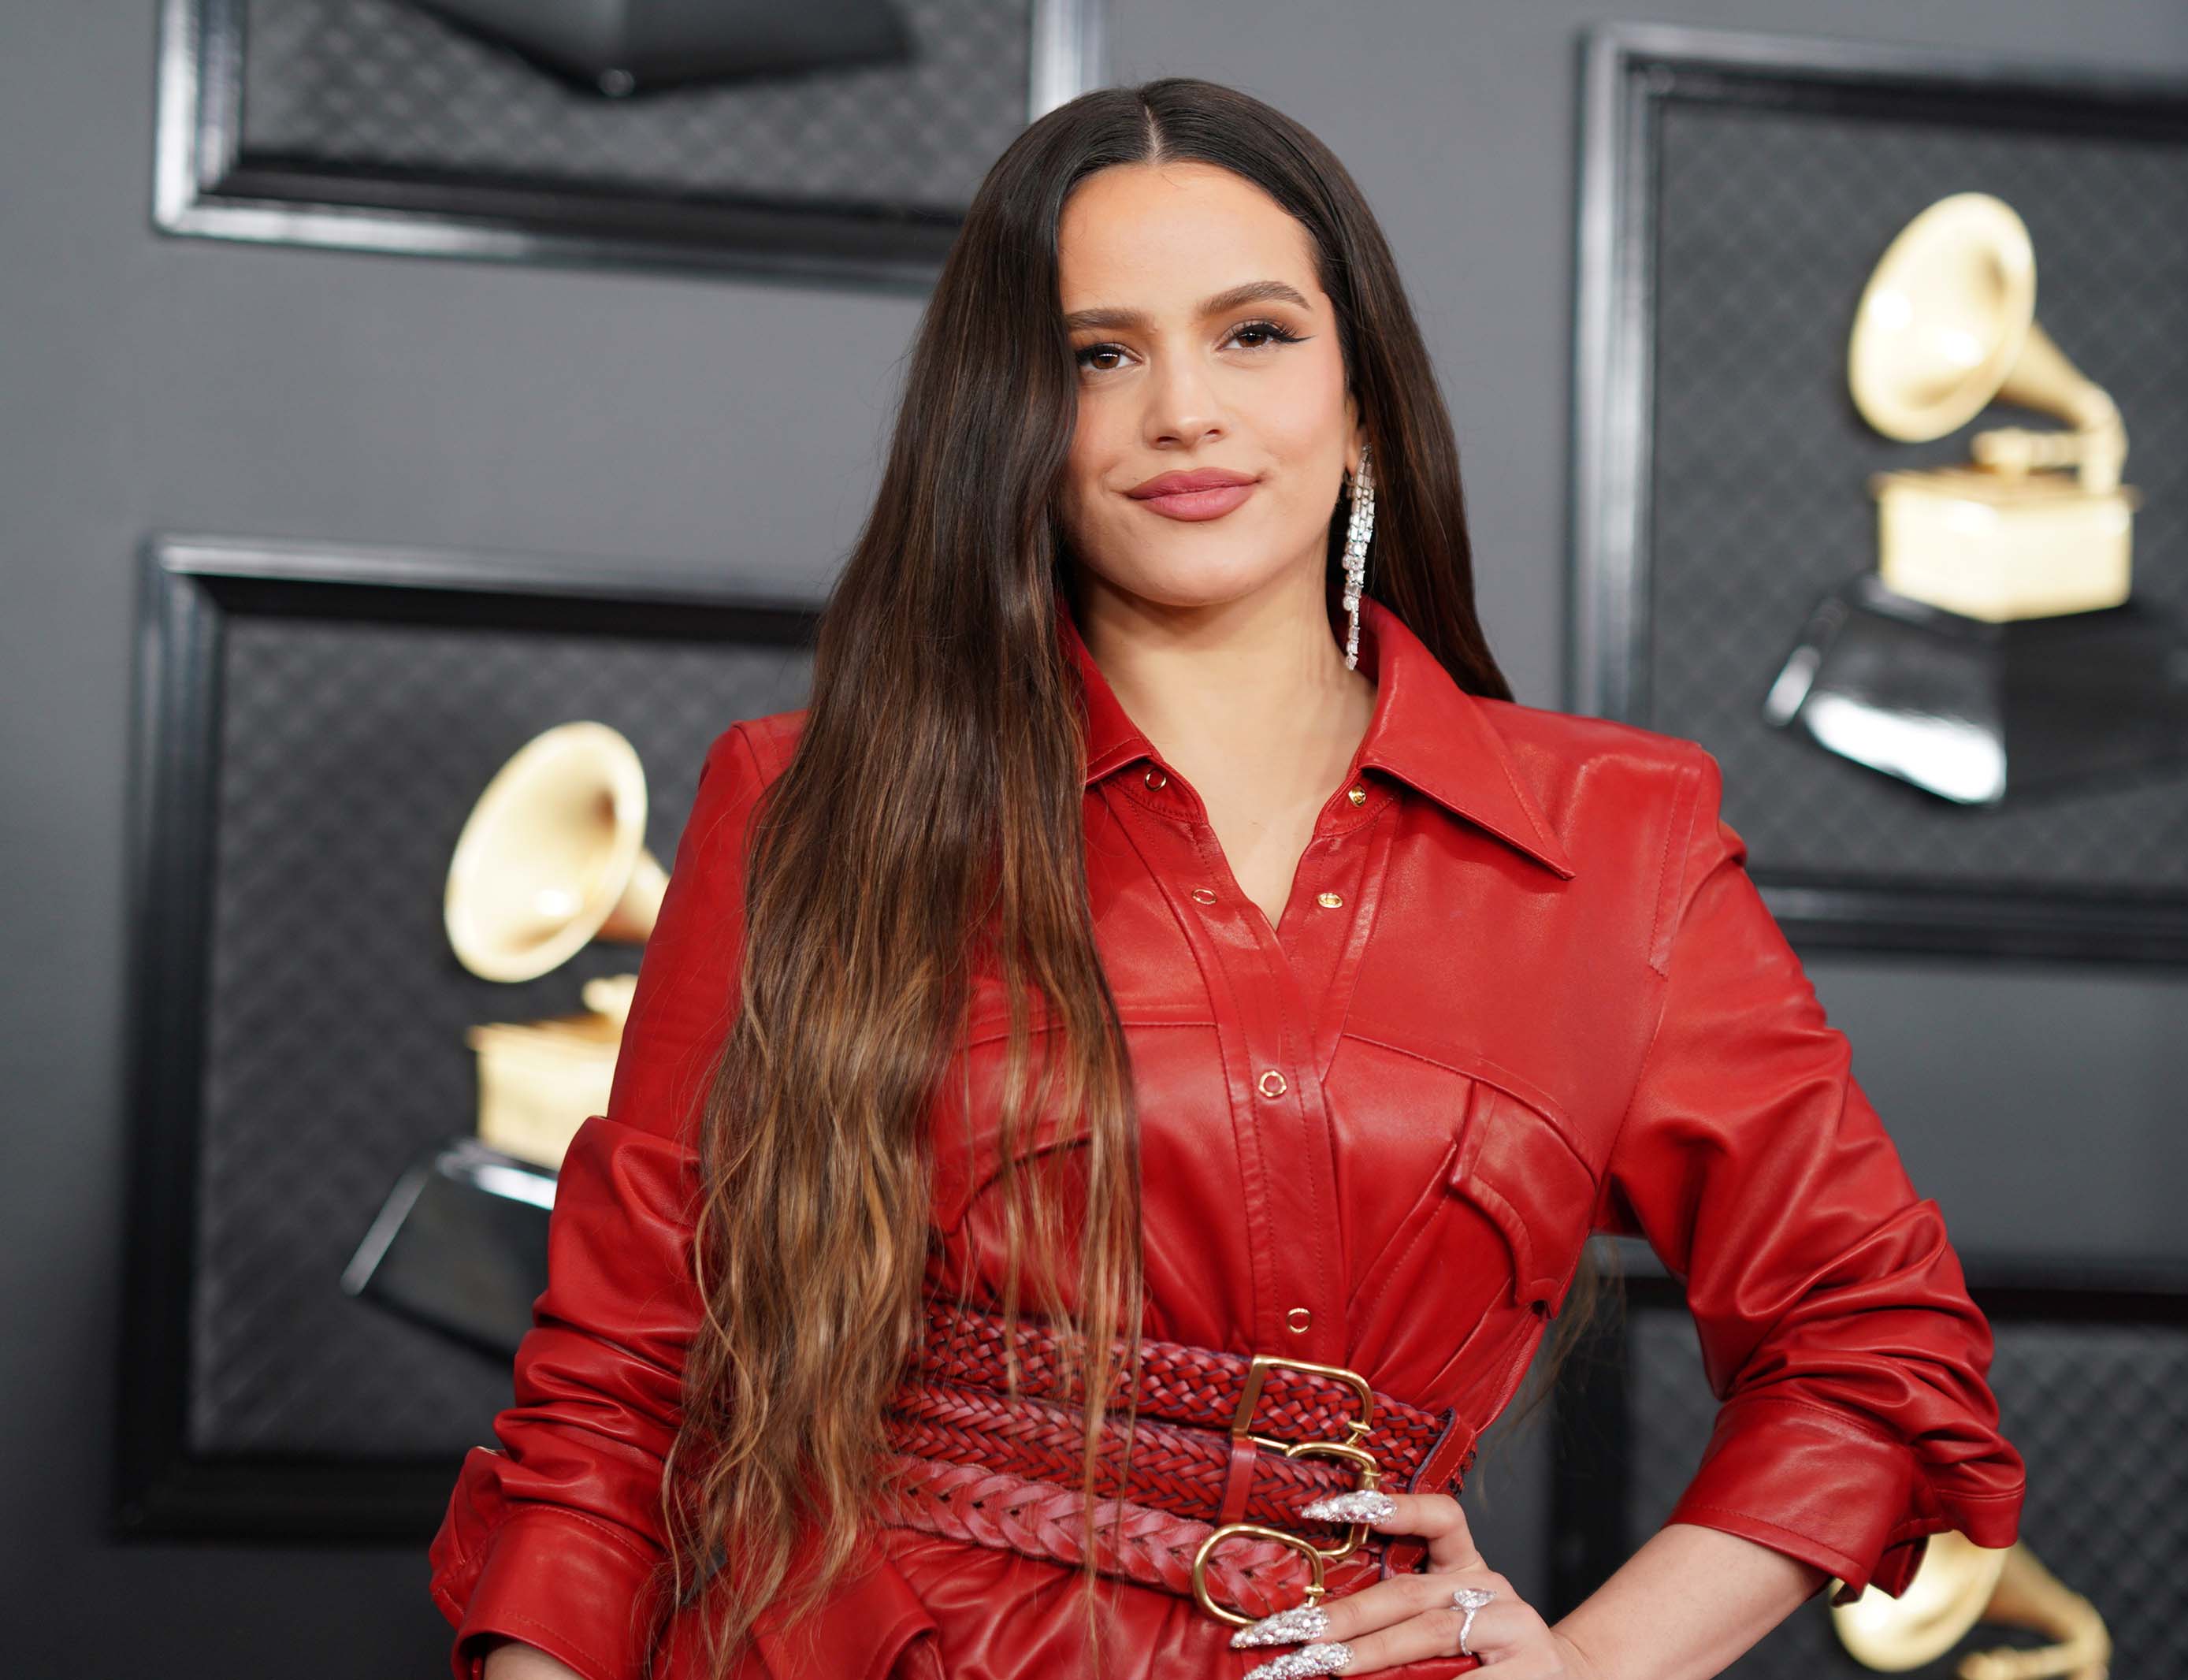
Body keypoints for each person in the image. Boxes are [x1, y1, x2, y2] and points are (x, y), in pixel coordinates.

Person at [429, 76, 2025, 1680]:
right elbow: (618, 1398)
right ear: (1011, 423)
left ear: (1365, 402)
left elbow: (1869, 1345)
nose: (1180, 408)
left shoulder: (1619, 837)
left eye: (1253, 335)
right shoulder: (807, 805)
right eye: (1095, 354)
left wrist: (1592, 1670)